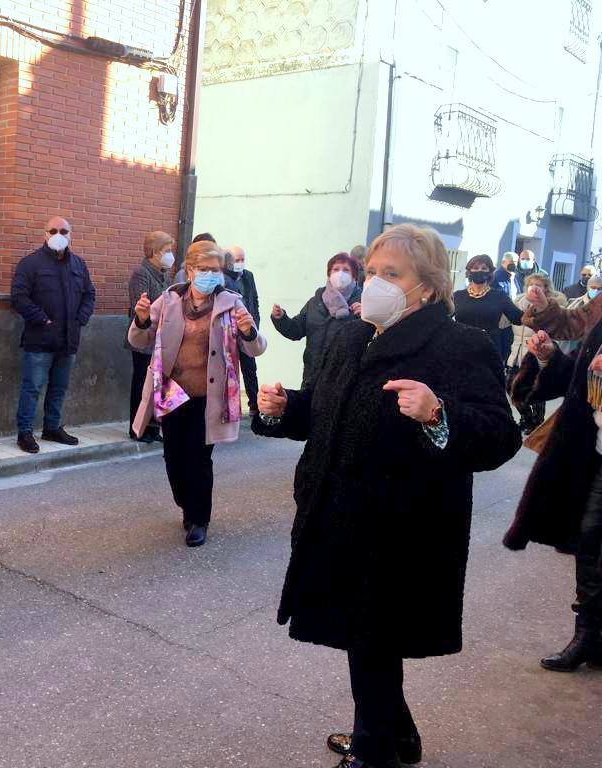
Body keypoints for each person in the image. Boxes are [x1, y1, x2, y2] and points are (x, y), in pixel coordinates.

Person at [253, 224, 520, 768]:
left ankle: (375, 753)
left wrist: (438, 412)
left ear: (426, 286)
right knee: (366, 637)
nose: (373, 283)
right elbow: (327, 412)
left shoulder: (458, 346)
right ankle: (395, 736)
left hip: (405, 528)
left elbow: (500, 434)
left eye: (390, 274)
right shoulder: (352, 337)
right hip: (339, 512)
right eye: (371, 271)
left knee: (372, 638)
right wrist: (285, 408)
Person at [129, 240, 266, 547]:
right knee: (173, 457)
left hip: (210, 397)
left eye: (215, 270)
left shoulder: (231, 302)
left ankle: (198, 518)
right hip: (173, 393)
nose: (210, 275)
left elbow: (255, 347)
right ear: (189, 270)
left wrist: (249, 331)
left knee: (200, 459)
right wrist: (140, 319)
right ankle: (185, 503)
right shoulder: (169, 300)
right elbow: (141, 338)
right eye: (204, 269)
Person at [506, 326, 602, 672]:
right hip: (595, 453)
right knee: (588, 541)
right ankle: (590, 637)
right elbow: (576, 376)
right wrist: (548, 357)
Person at [10, 216, 96, 455]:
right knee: (32, 387)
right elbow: (19, 297)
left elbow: (89, 294)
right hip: (40, 339)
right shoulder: (30, 264)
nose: (59, 234)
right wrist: (42, 319)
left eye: (64, 230)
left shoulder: (79, 264)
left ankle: (52, 427)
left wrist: (81, 319)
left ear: (71, 235)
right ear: (44, 234)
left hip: (68, 339)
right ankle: (25, 432)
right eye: (53, 230)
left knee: (59, 387)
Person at [270, 252, 363, 390]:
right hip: (312, 377)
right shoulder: (315, 302)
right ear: (329, 274)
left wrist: (367, 317)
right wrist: (281, 318)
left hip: (343, 382)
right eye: (336, 269)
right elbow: (296, 330)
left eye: (346, 270)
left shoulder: (364, 304)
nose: (340, 274)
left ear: (354, 275)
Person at [126, 231, 174, 442]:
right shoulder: (141, 273)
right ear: (155, 252)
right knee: (141, 386)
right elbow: (141, 305)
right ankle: (137, 429)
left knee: (158, 385)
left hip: (160, 340)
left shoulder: (164, 273)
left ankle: (153, 428)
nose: (170, 255)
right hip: (144, 337)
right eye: (167, 250)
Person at [508, 275, 568, 434]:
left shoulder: (550, 305)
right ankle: (528, 419)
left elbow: (556, 326)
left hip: (537, 350)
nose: (534, 287)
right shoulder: (518, 301)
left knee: (537, 389)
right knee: (512, 388)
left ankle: (537, 422)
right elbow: (507, 321)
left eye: (538, 285)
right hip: (517, 350)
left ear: (545, 288)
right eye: (531, 284)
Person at [451, 254, 522, 364]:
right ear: (469, 272)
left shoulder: (499, 296)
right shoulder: (457, 296)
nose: (479, 271)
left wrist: (537, 309)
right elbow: (442, 318)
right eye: (475, 268)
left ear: (490, 272)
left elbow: (518, 318)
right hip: (461, 349)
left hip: (489, 351)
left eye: (484, 268)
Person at [223, 246, 261, 415]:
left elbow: (254, 300)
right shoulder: (223, 278)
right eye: (236, 260)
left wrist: (255, 325)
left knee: (250, 368)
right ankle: (231, 408)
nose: (240, 263)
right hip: (230, 332)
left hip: (247, 330)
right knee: (230, 370)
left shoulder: (248, 276)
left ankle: (255, 405)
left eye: (242, 259)